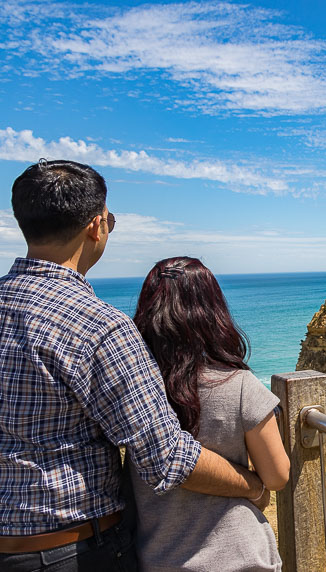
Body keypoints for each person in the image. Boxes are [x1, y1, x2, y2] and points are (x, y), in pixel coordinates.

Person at [0, 160, 269, 571]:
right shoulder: (98, 326)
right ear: (97, 225)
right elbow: (166, 456)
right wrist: (251, 486)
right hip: (73, 551)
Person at [131, 257, 290, 572]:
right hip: (238, 556)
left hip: (157, 557)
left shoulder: (136, 390)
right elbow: (277, 475)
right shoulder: (239, 385)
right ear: (212, 310)